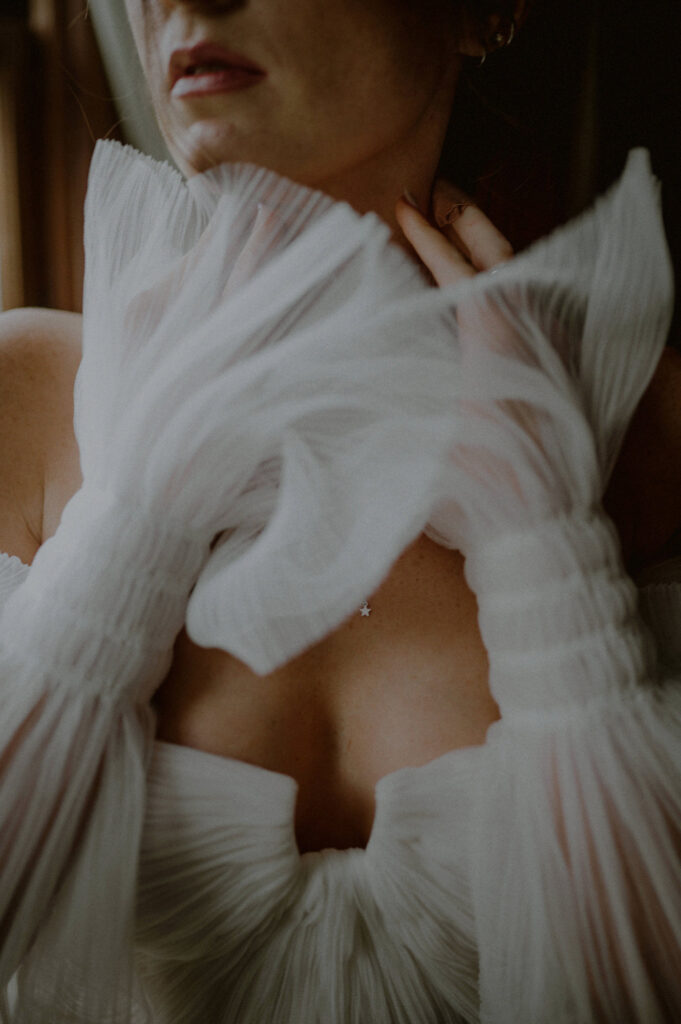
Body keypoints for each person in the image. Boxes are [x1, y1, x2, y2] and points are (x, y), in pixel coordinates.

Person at [1, 0, 680, 1021]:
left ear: (483, 12)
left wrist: (553, 562)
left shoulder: (654, 441)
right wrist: (124, 529)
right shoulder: (23, 406)